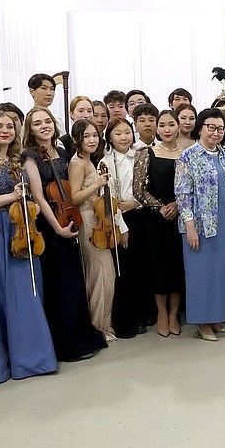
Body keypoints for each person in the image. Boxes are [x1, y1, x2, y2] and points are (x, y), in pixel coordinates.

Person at [0, 111, 57, 385]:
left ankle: (33, 358)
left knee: (28, 290)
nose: (5, 130)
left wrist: (33, 206)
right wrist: (12, 196)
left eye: (10, 126)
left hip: (23, 228)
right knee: (2, 290)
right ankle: (5, 361)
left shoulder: (20, 161)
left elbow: (34, 195)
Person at [22, 107, 107, 361]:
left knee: (75, 281)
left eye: (47, 121)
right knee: (60, 284)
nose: (44, 126)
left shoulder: (61, 150)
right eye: (37, 123)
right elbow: (39, 196)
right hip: (49, 225)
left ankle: (80, 336)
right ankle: (64, 344)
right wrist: (57, 228)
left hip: (67, 218)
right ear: (30, 129)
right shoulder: (30, 156)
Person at [176, 109, 225, 342]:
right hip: (200, 226)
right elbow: (183, 194)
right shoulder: (188, 156)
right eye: (211, 127)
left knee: (221, 273)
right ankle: (202, 322)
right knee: (201, 275)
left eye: (220, 128)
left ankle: (216, 317)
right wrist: (190, 226)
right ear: (200, 128)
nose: (215, 132)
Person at [69, 120, 128, 341]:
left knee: (106, 275)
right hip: (87, 220)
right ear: (77, 139)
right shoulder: (77, 164)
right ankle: (98, 327)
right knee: (100, 275)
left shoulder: (88, 160)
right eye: (87, 136)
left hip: (97, 218)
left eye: (95, 135)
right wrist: (96, 185)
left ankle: (103, 324)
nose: (92, 140)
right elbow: (74, 198)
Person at [132, 109, 186, 337]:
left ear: (178, 127)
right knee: (158, 267)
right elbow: (138, 189)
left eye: (171, 124)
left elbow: (193, 187)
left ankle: (174, 313)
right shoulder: (147, 153)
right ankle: (161, 313)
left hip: (181, 219)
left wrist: (178, 204)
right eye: (162, 125)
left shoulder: (187, 154)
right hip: (154, 220)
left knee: (177, 267)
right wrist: (160, 206)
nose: (166, 129)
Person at [101, 117, 147, 336]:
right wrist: (122, 227)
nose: (123, 137)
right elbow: (108, 198)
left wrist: (138, 202)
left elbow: (149, 186)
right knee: (124, 272)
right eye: (118, 133)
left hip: (141, 214)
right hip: (120, 219)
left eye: (127, 132)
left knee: (142, 269)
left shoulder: (142, 155)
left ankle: (143, 316)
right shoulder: (106, 162)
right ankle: (125, 322)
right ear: (110, 137)